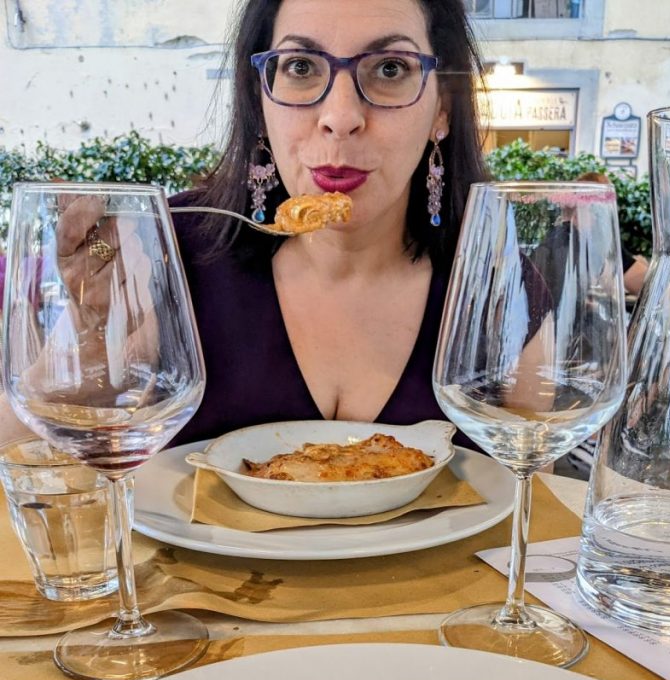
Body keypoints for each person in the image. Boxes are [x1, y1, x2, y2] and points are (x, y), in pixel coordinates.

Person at [0, 0, 490, 448]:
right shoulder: (164, 251)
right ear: (259, 102)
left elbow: (540, 511)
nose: (340, 118)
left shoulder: (492, 281)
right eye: (300, 67)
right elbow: (14, 449)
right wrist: (88, 347)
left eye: (390, 68)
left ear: (441, 108)